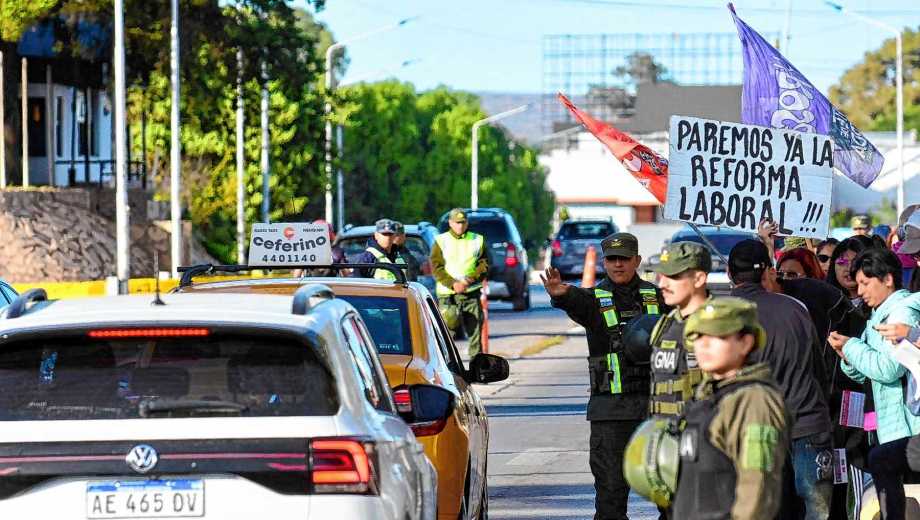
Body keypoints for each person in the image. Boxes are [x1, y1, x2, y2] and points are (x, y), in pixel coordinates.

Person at [542, 231, 667, 520]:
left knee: (671, 494)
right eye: (612, 259)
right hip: (611, 414)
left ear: (636, 260)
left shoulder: (656, 296)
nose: (618, 265)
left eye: (624, 259)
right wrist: (560, 295)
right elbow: (575, 299)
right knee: (610, 497)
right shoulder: (594, 299)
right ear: (604, 261)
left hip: (657, 409)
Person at [728, 239, 833, 520]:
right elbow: (817, 369)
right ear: (768, 272)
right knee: (815, 511)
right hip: (807, 423)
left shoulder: (717, 315)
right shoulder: (795, 308)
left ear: (729, 274)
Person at [670, 297, 789, 520]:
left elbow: (758, 490)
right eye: (698, 336)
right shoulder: (709, 396)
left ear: (746, 343)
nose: (704, 344)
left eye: (717, 336)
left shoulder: (754, 401)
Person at [828, 248, 920, 520]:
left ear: (888, 279)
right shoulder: (878, 316)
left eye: (866, 283)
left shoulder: (902, 311)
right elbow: (871, 371)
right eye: (858, 284)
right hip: (893, 422)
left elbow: (890, 369)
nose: (860, 290)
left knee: (882, 461)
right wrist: (848, 356)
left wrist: (854, 347)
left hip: (910, 421)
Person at [648, 241, 712, 418]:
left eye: (673, 276)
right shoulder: (666, 324)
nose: (662, 284)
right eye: (661, 275)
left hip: (700, 437)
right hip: (664, 435)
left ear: (699, 279)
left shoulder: (716, 326)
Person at [430, 208, 489, 356]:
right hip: (448, 296)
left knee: (475, 333)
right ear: (450, 223)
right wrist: (453, 284)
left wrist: (469, 280)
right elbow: (436, 268)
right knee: (447, 335)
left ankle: (477, 369)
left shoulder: (477, 240)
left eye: (463, 222)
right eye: (457, 223)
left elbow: (484, 265)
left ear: (467, 223)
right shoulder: (441, 240)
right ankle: (449, 369)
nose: (460, 226)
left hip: (471, 293)